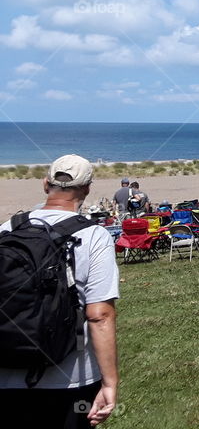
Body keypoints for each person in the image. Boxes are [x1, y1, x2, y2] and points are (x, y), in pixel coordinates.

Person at [0, 154, 119, 428]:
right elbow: (100, 316)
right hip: (70, 377)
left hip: (6, 370)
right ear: (87, 189)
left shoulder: (6, 230)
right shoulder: (93, 236)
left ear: (45, 185)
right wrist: (110, 382)